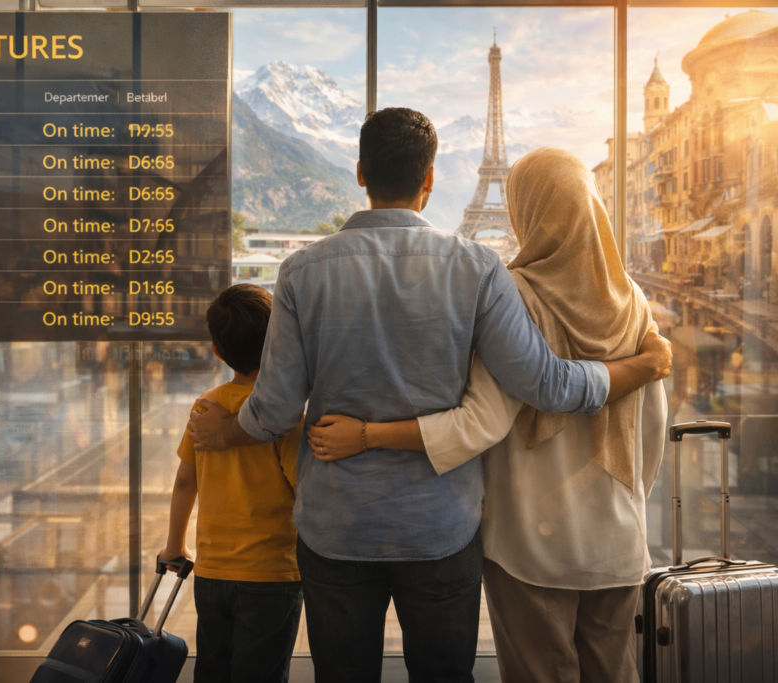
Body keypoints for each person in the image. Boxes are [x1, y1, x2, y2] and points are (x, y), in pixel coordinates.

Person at [186, 109, 672, 682]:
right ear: (432, 179)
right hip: (441, 527)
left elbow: (274, 410)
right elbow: (548, 385)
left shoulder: (300, 272)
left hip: (337, 525)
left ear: (361, 173)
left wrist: (227, 429)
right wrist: (644, 366)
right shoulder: (478, 269)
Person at [308, 147, 668, 683]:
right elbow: (653, 430)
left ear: (525, 210)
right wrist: (626, 498)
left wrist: (367, 435)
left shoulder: (513, 296)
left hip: (530, 539)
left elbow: (481, 422)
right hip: (616, 537)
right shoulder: (632, 301)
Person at [159, 283, 303, 683]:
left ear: (218, 351)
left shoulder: (206, 406)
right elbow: (303, 492)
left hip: (212, 573)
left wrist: (175, 546)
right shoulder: (285, 414)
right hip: (271, 576)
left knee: (213, 671)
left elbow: (185, 481)